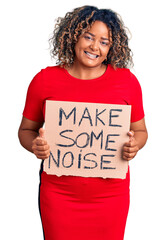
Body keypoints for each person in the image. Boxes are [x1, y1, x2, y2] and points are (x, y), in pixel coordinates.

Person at [18, 5, 148, 240]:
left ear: (111, 48)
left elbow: (140, 131)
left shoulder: (127, 82)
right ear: (73, 37)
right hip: (59, 196)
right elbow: (26, 130)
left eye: (104, 41)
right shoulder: (44, 80)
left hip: (111, 197)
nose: (94, 47)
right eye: (88, 37)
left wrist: (134, 145)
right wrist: (34, 145)